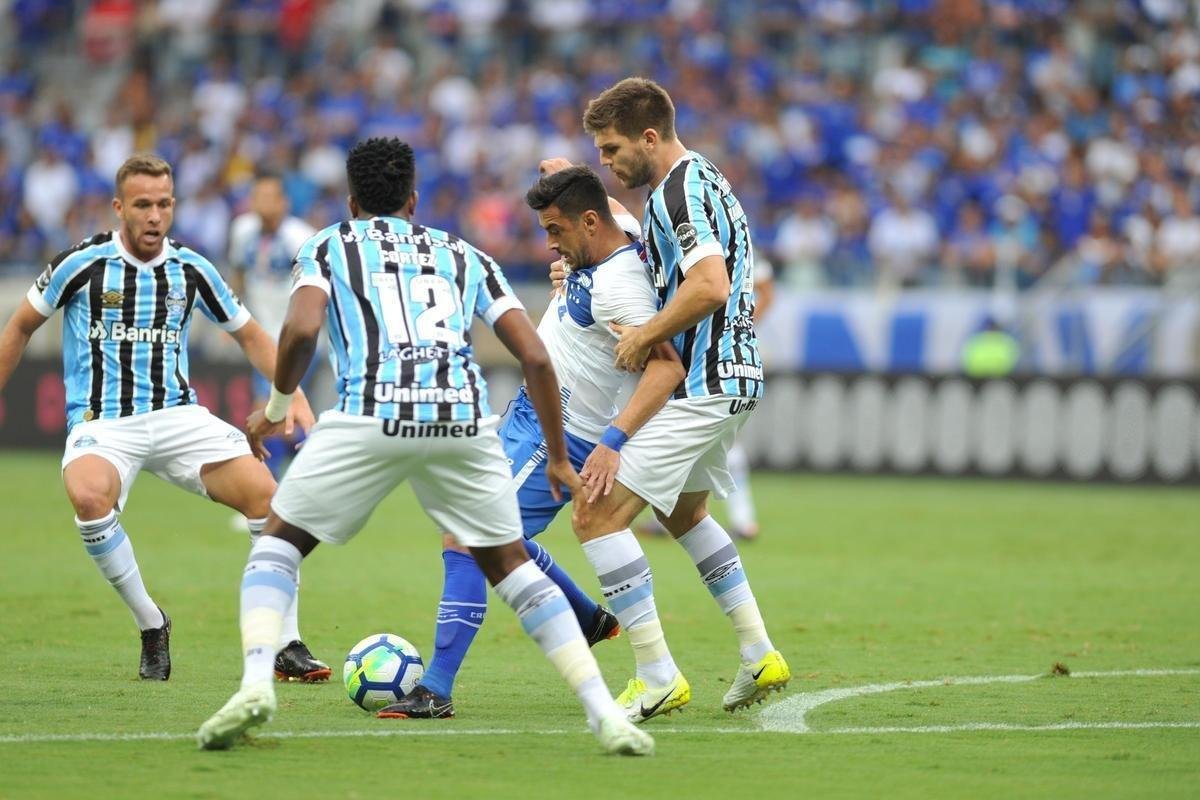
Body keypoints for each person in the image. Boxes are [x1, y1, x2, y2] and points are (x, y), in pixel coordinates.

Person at [196, 137, 654, 757]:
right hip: (458, 418)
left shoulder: (326, 245)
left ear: (353, 202)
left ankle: (255, 683)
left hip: (369, 409)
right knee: (508, 564)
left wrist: (277, 408)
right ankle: (605, 714)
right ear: (413, 199)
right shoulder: (461, 253)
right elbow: (536, 355)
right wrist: (556, 455)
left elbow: (301, 328)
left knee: (278, 542)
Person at [0, 154, 329, 683]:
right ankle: (151, 623)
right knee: (88, 499)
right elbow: (18, 327)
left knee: (268, 497)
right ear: (119, 208)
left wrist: (290, 394)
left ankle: (286, 642)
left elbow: (249, 333)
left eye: (165, 204)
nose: (156, 216)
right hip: (103, 424)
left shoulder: (191, 268)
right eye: (144, 205)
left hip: (177, 416)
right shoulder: (81, 264)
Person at [382, 164, 686, 719]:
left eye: (556, 230)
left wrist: (614, 440)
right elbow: (608, 206)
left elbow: (667, 368)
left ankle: (436, 687)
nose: (550, 244)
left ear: (588, 222)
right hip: (530, 416)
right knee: (487, 530)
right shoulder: (608, 241)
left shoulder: (621, 285)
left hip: (562, 439)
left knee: (468, 537)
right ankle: (587, 617)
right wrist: (564, 168)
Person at [574, 77, 790, 719]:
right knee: (684, 513)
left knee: (596, 515)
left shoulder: (678, 191)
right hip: (735, 376)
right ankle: (759, 652)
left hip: (704, 381)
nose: (608, 164)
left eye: (612, 150)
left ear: (649, 136)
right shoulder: (706, 179)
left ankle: (655, 673)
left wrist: (644, 333)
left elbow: (710, 286)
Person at [227, 171, 317, 476]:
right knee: (279, 415)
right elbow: (238, 273)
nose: (262, 204)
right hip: (262, 338)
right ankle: (287, 486)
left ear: (284, 203)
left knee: (273, 412)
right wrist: (229, 319)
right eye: (257, 197)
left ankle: (276, 491)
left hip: (296, 338)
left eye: (269, 197)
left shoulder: (301, 238)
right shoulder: (242, 230)